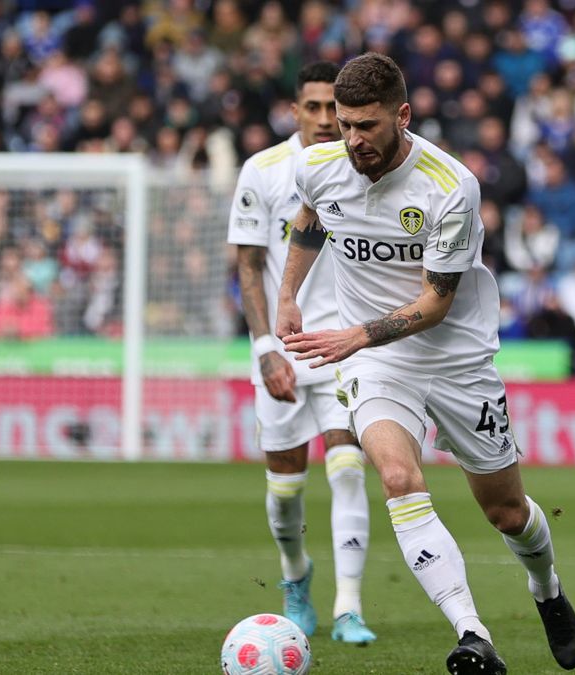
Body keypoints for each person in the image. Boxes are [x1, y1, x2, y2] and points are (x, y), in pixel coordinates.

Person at [276, 53, 575, 674]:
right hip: (378, 366)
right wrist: (288, 294)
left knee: (507, 511)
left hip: (455, 358)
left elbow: (436, 303)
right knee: (397, 477)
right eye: (344, 125)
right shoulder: (316, 166)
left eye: (367, 126)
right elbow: (311, 221)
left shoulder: (449, 186)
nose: (354, 140)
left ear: (403, 116)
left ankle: (546, 587)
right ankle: (474, 634)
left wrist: (355, 335)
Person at [226, 62, 377, 645]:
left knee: (346, 470)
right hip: (284, 351)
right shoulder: (262, 171)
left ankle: (348, 607)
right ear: (295, 111)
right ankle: (296, 578)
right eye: (311, 108)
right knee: (285, 491)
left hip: (343, 347)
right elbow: (246, 263)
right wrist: (265, 348)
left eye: (330, 110)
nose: (322, 119)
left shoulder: (363, 167)